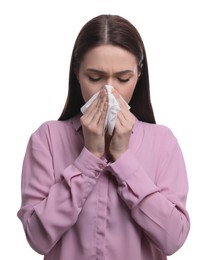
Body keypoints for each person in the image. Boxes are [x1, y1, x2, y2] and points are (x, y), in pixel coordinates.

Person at [17, 14, 190, 260]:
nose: (109, 91)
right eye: (95, 78)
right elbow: (37, 237)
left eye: (123, 79)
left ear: (138, 74)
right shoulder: (47, 139)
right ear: (77, 73)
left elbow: (173, 239)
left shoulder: (162, 142)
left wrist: (123, 160)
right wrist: (88, 158)